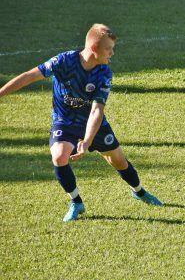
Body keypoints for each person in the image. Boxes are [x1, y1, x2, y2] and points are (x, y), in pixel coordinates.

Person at [0, 24, 162, 222]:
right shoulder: (63, 61)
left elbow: (96, 110)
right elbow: (30, 76)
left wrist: (86, 141)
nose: (112, 53)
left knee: (118, 161)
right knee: (59, 156)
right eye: (108, 48)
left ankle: (138, 191)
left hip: (92, 124)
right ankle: (76, 202)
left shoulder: (103, 74)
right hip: (64, 121)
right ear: (94, 49)